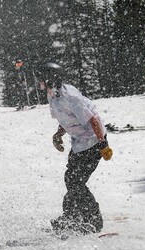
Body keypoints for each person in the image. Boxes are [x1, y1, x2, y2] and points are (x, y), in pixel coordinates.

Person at [36, 62, 113, 235]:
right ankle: (72, 216)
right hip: (79, 142)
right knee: (71, 179)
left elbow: (92, 119)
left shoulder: (71, 97)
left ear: (49, 80)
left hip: (93, 142)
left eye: (40, 79)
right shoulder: (53, 96)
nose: (38, 83)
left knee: (76, 181)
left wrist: (103, 144)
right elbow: (66, 119)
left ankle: (93, 219)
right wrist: (58, 134)